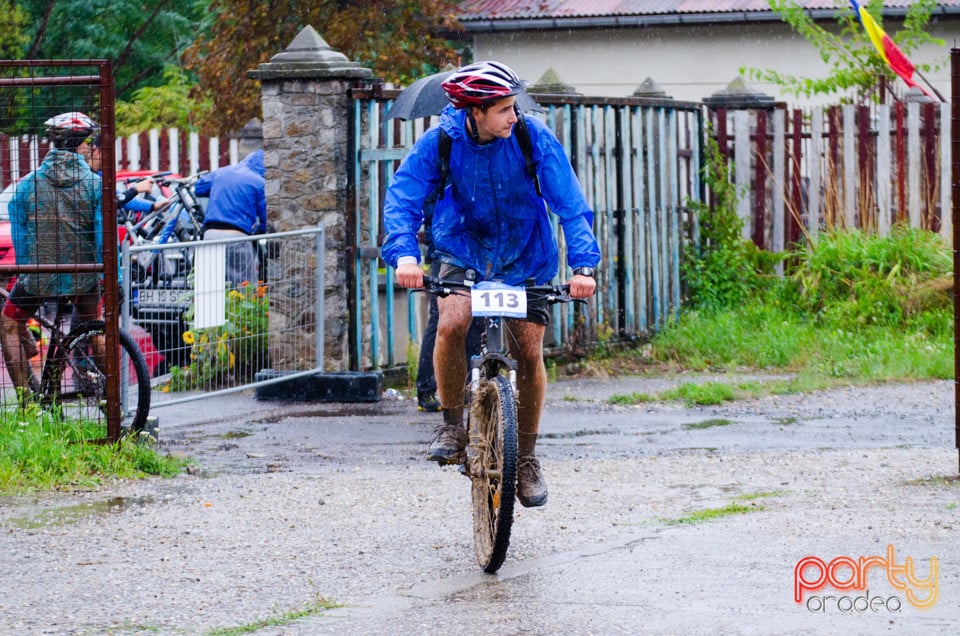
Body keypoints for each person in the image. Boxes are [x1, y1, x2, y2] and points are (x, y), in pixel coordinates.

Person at [382, 61, 601, 508]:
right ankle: (451, 424)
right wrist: (405, 255)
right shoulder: (441, 140)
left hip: (525, 252)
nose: (513, 116)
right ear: (475, 112)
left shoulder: (531, 135)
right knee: (452, 322)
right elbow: (402, 199)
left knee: (529, 349)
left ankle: (526, 458)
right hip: (460, 245)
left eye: (514, 107)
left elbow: (570, 204)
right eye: (503, 109)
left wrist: (583, 267)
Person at [1, 112, 104, 394]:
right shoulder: (95, 185)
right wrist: (112, 276)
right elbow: (102, 234)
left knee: (9, 323)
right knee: (95, 330)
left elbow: (19, 228)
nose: (91, 148)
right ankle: (116, 398)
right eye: (89, 143)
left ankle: (27, 405)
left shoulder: (27, 185)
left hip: (40, 275)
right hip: (84, 274)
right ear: (80, 145)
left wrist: (25, 267)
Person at [195, 146, 267, 288]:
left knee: (210, 287)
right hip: (237, 238)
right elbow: (265, 217)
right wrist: (261, 230)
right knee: (243, 286)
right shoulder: (259, 182)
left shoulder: (222, 173)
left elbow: (199, 188)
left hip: (209, 236)